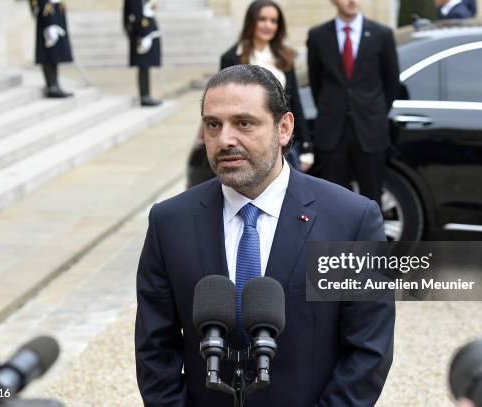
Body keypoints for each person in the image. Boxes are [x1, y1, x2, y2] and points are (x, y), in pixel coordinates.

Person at [135, 65, 395, 407]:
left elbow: (368, 352)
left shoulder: (350, 220)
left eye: (244, 123)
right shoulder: (170, 222)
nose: (225, 139)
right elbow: (155, 351)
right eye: (213, 124)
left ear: (284, 128)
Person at [307, 0, 399, 204]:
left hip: (370, 131)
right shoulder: (318, 35)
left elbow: (391, 82)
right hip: (332, 132)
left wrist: (374, 112)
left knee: (371, 199)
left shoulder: (381, 34)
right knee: (333, 201)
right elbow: (316, 83)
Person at [220, 0, 313, 172]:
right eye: (262, 19)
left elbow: (296, 104)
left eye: (273, 21)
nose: (268, 25)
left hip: (283, 141)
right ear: (251, 22)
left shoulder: (285, 57)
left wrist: (306, 147)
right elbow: (226, 106)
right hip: (247, 140)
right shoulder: (232, 58)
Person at [30, 0, 74, 98]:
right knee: (49, 51)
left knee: (55, 52)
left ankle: (55, 84)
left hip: (55, 9)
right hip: (47, 11)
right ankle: (51, 86)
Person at [124, 0, 162, 107]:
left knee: (146, 66)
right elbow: (136, 14)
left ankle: (146, 95)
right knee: (143, 65)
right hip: (141, 35)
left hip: (146, 32)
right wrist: (144, 33)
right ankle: (144, 96)